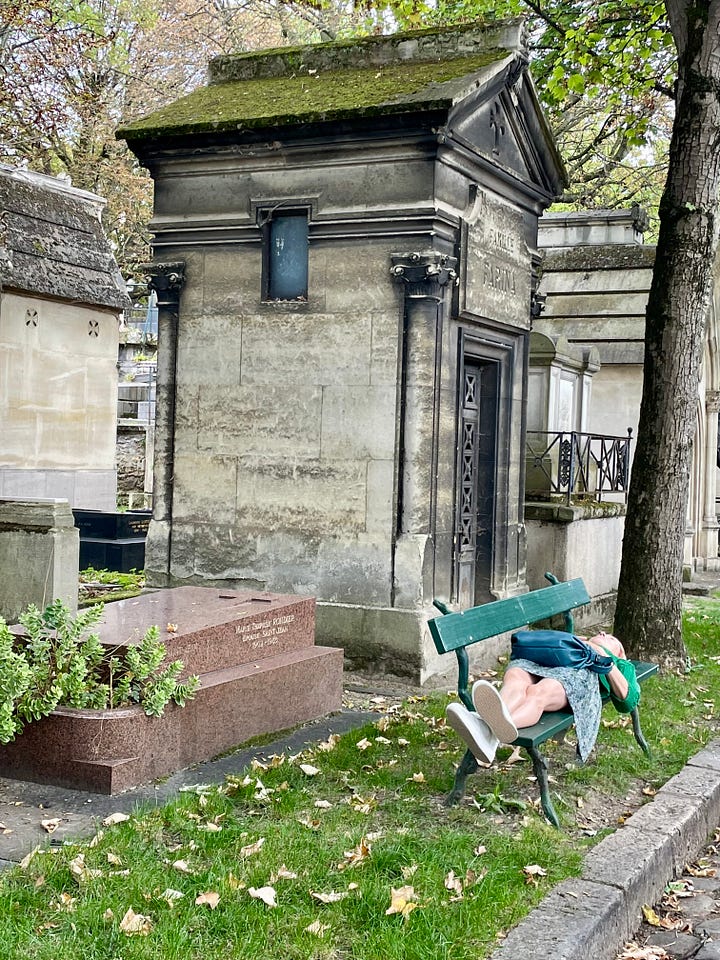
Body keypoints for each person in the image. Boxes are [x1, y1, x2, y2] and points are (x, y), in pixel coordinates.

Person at [445, 631, 640, 766]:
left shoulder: (621, 666)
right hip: (540, 664)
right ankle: (490, 729)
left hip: (574, 678)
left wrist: (604, 659)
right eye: (603, 633)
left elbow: (628, 701)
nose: (604, 634)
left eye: (612, 638)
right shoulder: (575, 641)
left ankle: (487, 729)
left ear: (620, 653)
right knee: (515, 678)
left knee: (539, 692)